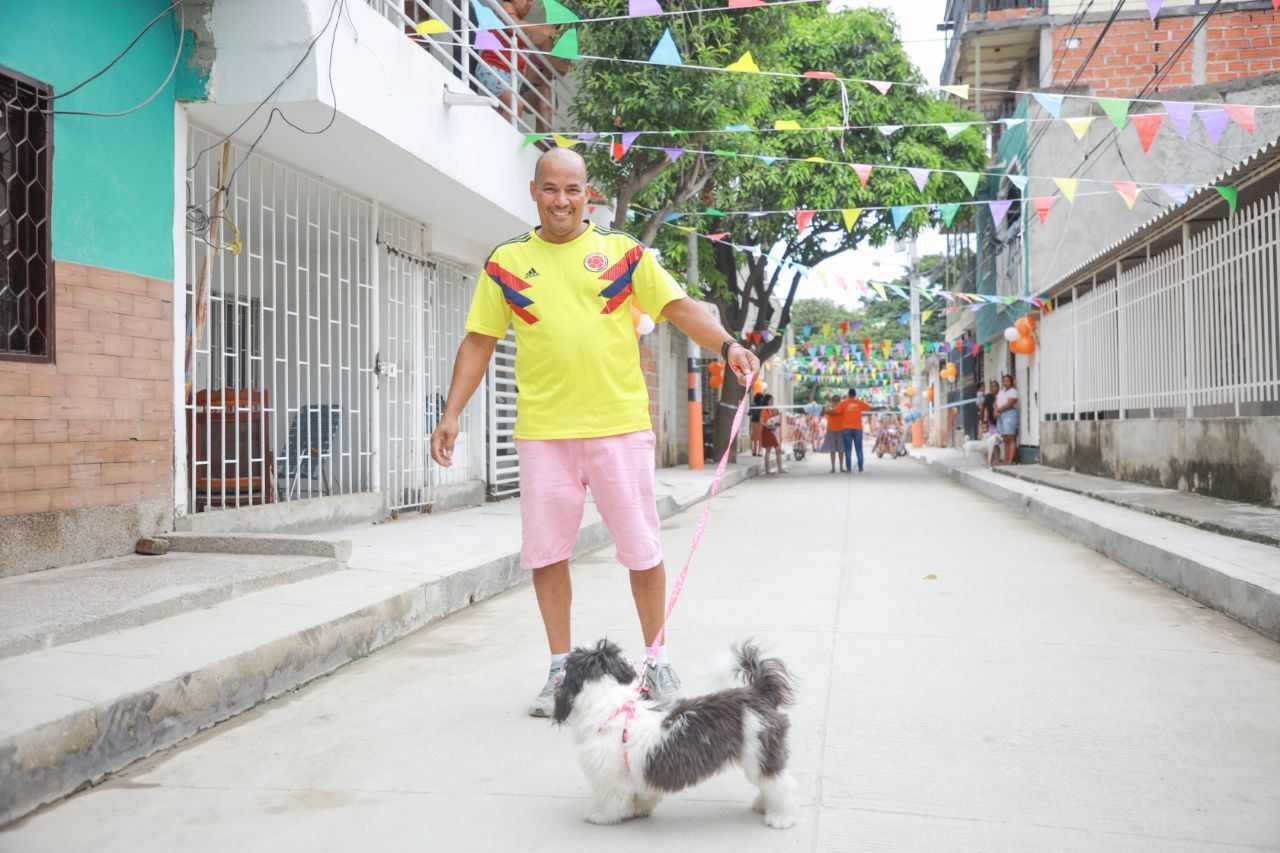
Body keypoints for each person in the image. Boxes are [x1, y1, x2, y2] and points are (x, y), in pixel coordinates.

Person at [429, 148, 760, 718]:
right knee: (546, 554)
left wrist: (728, 344)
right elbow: (480, 339)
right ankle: (562, 670)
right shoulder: (506, 262)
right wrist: (452, 411)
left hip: (619, 429)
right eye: (551, 189)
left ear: (589, 195)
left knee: (641, 548)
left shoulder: (622, 254)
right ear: (534, 192)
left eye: (573, 190)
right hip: (544, 435)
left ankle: (656, 661)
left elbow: (678, 308)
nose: (562, 200)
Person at [835, 388, 872, 474]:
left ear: (848, 394)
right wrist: (881, 407)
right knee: (859, 449)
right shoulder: (859, 403)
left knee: (848, 449)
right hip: (857, 429)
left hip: (846, 428)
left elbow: (835, 411)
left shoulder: (844, 403)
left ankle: (848, 468)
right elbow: (869, 408)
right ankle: (860, 467)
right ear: (855, 395)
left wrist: (828, 409)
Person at [994, 373, 1019, 466]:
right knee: (1005, 438)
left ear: (1011, 382)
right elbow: (996, 401)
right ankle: (1006, 459)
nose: (1005, 383)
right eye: (1004, 381)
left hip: (1009, 415)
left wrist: (998, 410)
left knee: (1011, 437)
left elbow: (1010, 403)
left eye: (1007, 381)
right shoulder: (1001, 391)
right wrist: (996, 410)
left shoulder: (1013, 391)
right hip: (1001, 416)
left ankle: (1010, 460)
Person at [759, 394, 786, 475]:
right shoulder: (764, 410)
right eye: (771, 400)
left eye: (773, 400)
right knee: (768, 450)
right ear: (767, 400)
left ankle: (780, 468)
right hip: (767, 431)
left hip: (774, 431)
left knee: (778, 449)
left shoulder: (772, 410)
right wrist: (769, 426)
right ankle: (767, 469)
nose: (772, 401)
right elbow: (761, 422)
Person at [819, 394, 844, 472]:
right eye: (834, 400)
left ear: (839, 401)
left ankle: (841, 467)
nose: (836, 401)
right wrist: (828, 407)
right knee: (832, 450)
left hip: (841, 430)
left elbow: (833, 412)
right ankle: (833, 468)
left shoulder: (841, 407)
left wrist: (830, 407)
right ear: (833, 401)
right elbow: (826, 411)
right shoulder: (831, 407)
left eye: (837, 400)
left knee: (841, 451)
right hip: (831, 430)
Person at [749, 392, 764, 456]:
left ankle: (754, 450)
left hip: (754, 421)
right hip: (760, 421)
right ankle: (760, 450)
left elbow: (750, 413)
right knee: (760, 436)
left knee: (755, 435)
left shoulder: (753, 405)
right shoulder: (763, 405)